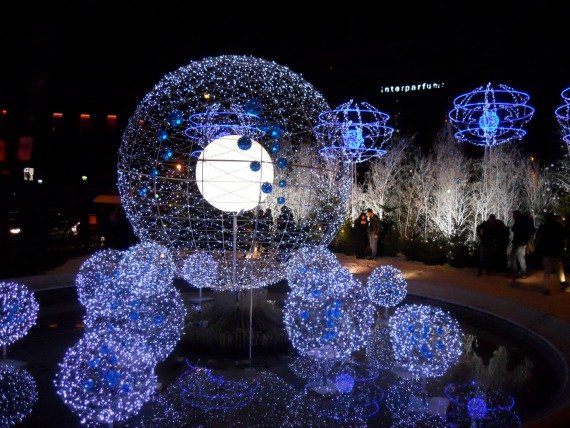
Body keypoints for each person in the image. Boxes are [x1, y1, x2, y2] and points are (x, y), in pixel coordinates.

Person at [535, 212, 567, 295]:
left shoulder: (543, 227)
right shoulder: (559, 227)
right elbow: (564, 236)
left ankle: (546, 288)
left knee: (547, 271)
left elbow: (539, 240)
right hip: (557, 251)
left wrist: (539, 249)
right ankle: (562, 283)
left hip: (546, 252)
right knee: (559, 269)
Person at [509, 210, 535, 279]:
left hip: (518, 242)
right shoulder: (526, 221)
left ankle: (514, 273)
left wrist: (513, 228)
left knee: (513, 257)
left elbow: (514, 229)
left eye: (513, 215)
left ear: (516, 215)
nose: (513, 216)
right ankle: (524, 273)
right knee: (521, 258)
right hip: (524, 242)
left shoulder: (518, 220)